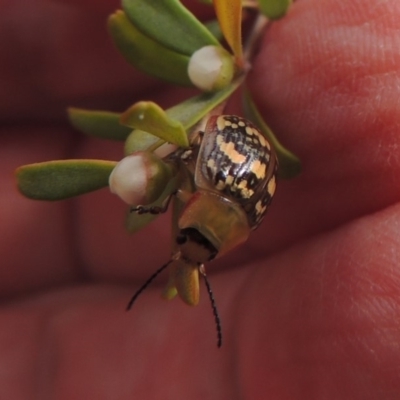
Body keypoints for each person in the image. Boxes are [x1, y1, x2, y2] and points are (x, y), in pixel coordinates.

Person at [2, 0, 400, 398]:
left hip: (228, 145)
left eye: (181, 241)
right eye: (193, 246)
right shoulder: (216, 203)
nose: (184, 244)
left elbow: (192, 178)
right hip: (225, 144)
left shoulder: (235, 216)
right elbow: (193, 176)